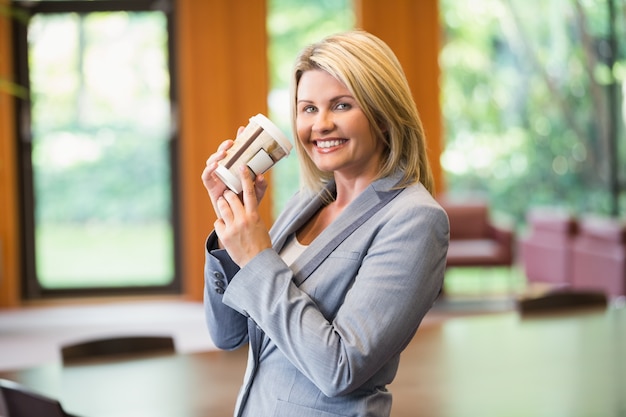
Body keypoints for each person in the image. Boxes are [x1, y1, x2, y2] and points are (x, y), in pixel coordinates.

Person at [201, 30, 449, 417]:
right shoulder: (308, 201)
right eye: (309, 109)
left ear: (383, 115)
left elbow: (341, 369)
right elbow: (228, 334)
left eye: (341, 105)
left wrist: (258, 256)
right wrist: (229, 225)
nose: (321, 124)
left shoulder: (415, 220)